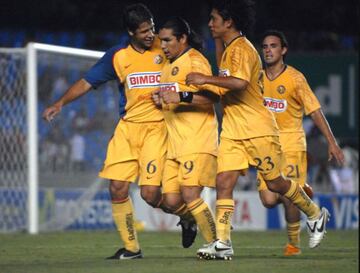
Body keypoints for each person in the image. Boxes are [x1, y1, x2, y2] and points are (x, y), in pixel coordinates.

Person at [42, 3, 197, 260]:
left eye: (152, 28)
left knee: (149, 194)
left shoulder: (166, 47)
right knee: (116, 188)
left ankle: (187, 216)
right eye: (144, 31)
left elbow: (192, 58)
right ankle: (132, 248)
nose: (151, 34)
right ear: (130, 32)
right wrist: (60, 103)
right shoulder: (118, 56)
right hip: (127, 129)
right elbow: (87, 82)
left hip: (157, 129)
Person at [186, 0, 332, 260]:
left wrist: (204, 79)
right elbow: (224, 69)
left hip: (258, 129)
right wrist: (217, 40)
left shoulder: (243, 49)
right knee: (224, 182)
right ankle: (223, 242)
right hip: (232, 128)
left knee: (276, 183)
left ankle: (314, 213)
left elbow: (239, 83)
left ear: (228, 21)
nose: (210, 23)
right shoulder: (230, 47)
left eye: (214, 19)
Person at [257, 30, 345, 256]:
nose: (268, 50)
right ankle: (303, 195)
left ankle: (293, 246)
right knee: (268, 199)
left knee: (287, 197)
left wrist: (332, 142)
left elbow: (315, 112)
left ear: (283, 50)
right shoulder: (257, 78)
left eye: (273, 46)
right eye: (265, 46)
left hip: (292, 143)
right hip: (265, 145)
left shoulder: (295, 79)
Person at [152, 17, 220, 254]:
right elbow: (172, 98)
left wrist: (182, 97)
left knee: (190, 193)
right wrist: (161, 100)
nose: (163, 45)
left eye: (168, 40)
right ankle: (190, 219)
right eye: (161, 41)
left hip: (197, 140)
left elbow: (212, 97)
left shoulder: (195, 61)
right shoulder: (167, 67)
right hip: (175, 144)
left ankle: (217, 244)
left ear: (183, 38)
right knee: (171, 201)